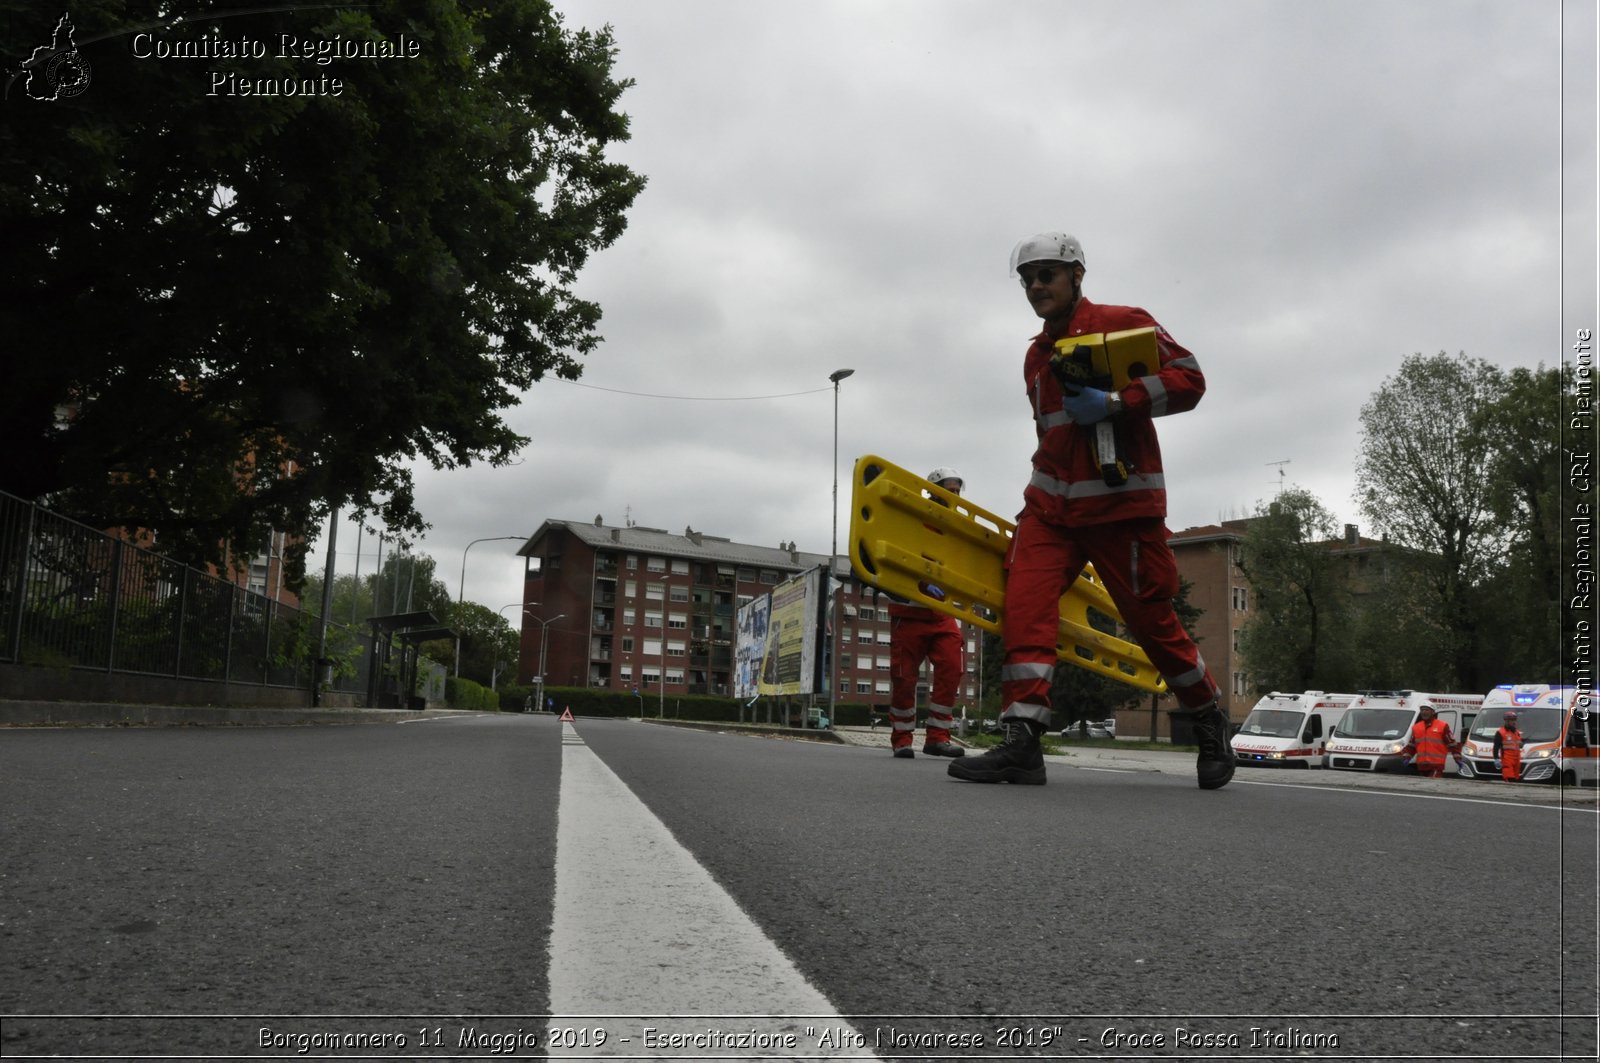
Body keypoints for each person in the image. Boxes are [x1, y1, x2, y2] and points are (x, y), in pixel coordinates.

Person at [949, 232, 1232, 789]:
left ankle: (1207, 717)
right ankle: (1022, 742)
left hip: (1122, 514)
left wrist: (1116, 401)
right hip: (1051, 514)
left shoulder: (1125, 322)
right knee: (1025, 609)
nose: (1035, 287)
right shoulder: (1036, 355)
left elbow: (1191, 380)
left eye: (1046, 275)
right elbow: (1053, 437)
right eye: (1028, 279)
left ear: (1077, 276)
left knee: (1155, 628)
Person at [886, 468, 969, 760]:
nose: (955, 496)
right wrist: (921, 582)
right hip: (909, 612)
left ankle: (937, 738)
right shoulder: (913, 519)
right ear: (932, 490)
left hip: (942, 613)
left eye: (959, 491)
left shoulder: (957, 526)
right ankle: (902, 740)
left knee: (951, 669)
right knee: (904, 679)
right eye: (950, 489)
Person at [1400, 704, 1461, 778]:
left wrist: (1458, 759)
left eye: (1426, 710)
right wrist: (1407, 757)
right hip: (1421, 765)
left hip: (1436, 765)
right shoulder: (1416, 727)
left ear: (1433, 712)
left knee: (1432, 785)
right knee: (1423, 787)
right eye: (1422, 710)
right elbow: (1411, 746)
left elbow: (1452, 744)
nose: (1424, 712)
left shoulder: (1442, 726)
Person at [1494, 711, 1523, 782]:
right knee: (1510, 778)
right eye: (1512, 720)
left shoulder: (1517, 732)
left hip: (1516, 759)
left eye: (1514, 720)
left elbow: (1518, 743)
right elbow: (1496, 746)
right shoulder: (1500, 732)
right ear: (1506, 721)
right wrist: (1496, 758)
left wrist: (1521, 744)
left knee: (1516, 779)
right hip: (1507, 759)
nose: (1514, 722)